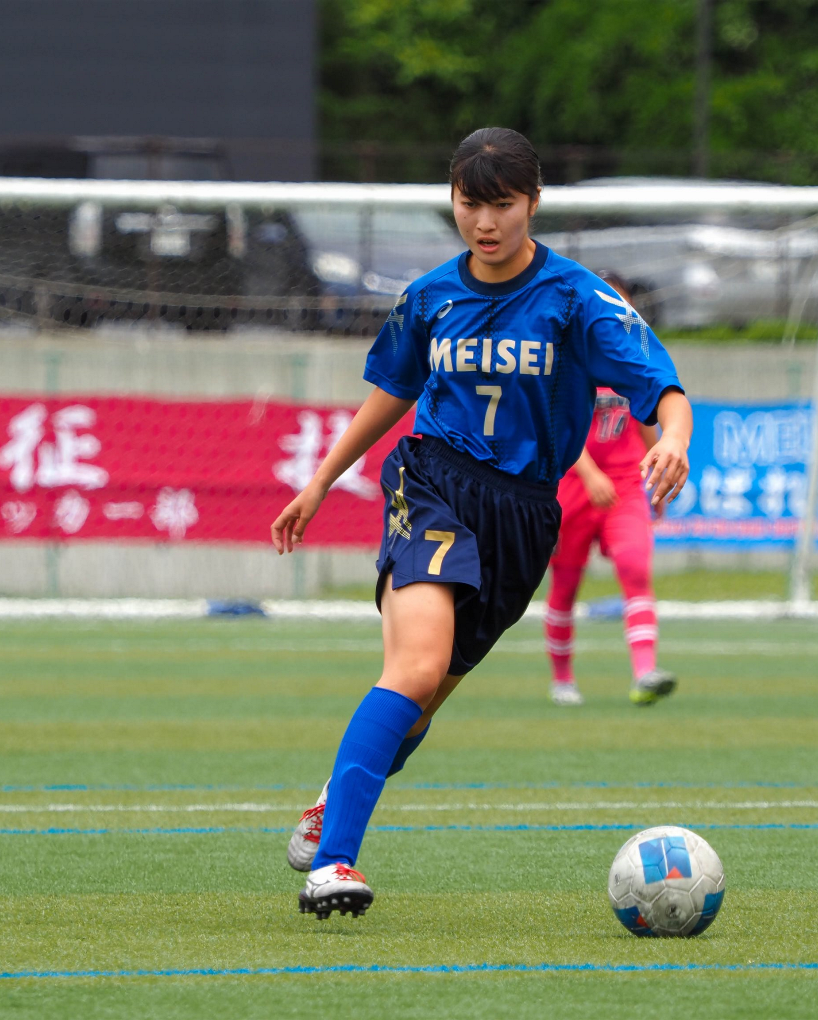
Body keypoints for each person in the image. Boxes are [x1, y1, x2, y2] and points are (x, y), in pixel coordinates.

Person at [271, 128, 692, 918]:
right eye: (470, 204)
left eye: (503, 204)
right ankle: (333, 865)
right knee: (415, 668)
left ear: (533, 202)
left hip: (524, 516)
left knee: (424, 702)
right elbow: (393, 391)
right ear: (453, 201)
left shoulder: (579, 299)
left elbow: (661, 388)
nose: (485, 222)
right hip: (432, 482)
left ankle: (336, 795)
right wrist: (322, 480)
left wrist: (672, 437)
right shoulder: (430, 296)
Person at [543, 272, 676, 707]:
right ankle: (562, 679)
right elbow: (553, 426)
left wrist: (658, 472)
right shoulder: (561, 353)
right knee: (565, 584)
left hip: (624, 487)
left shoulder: (634, 355)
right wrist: (587, 473)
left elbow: (646, 416)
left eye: (623, 305)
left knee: (636, 568)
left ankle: (645, 672)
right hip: (571, 487)